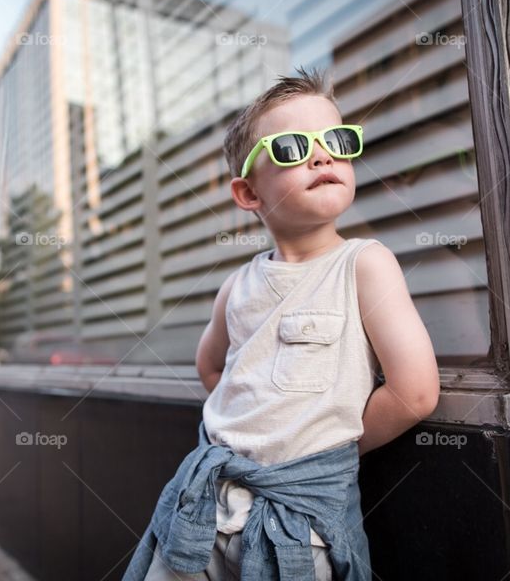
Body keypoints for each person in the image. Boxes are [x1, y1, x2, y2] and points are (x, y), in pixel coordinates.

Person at [123, 67, 440, 580]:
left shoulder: (363, 264)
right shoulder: (236, 286)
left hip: (296, 522)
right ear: (249, 194)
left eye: (338, 141)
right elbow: (210, 369)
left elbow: (416, 393)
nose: (322, 155)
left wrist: (317, 451)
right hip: (204, 510)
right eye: (292, 148)